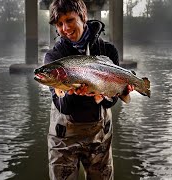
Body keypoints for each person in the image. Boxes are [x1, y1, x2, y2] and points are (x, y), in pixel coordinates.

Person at [44, 0, 132, 179]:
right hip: (63, 139)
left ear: (83, 17)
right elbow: (64, 107)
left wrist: (109, 94)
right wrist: (73, 93)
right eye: (59, 24)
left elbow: (112, 100)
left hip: (100, 136)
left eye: (69, 20)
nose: (65, 28)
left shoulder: (108, 51)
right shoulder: (53, 58)